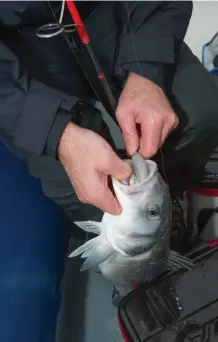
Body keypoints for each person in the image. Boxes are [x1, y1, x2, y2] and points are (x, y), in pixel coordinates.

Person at [1, 1, 218, 338]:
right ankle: (132, 274)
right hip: (16, 58)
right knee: (76, 188)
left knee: (201, 114)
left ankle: (169, 206)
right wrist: (57, 133)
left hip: (115, 15)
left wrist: (147, 73)